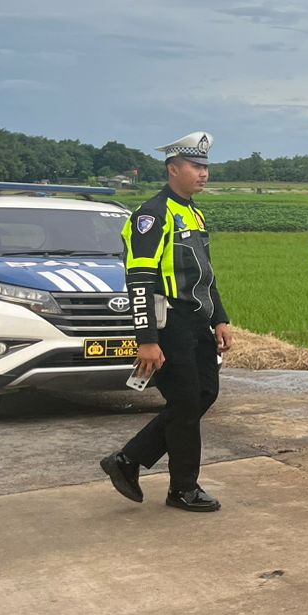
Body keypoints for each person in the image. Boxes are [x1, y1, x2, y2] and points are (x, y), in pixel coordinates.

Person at [99, 132, 233, 513]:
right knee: (187, 402)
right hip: (168, 321)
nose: (203, 173)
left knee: (204, 394)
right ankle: (183, 488)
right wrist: (146, 339)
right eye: (196, 166)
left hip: (197, 321)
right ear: (173, 169)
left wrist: (220, 318)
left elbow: (205, 273)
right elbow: (138, 281)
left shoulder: (193, 212)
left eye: (206, 166)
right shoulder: (151, 215)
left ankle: (128, 459)